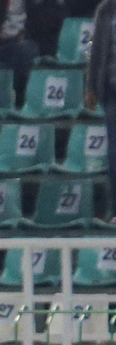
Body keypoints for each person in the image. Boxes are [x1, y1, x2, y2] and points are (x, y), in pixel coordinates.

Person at [85, 0, 116, 219]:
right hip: (112, 90)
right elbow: (96, 50)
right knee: (114, 152)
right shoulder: (106, 9)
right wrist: (91, 86)